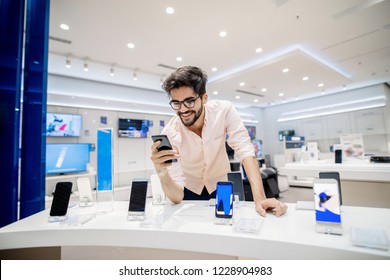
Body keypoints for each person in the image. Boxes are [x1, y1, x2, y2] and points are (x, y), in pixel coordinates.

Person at [150, 66, 287, 217]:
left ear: (204, 98)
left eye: (189, 101)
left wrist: (260, 198)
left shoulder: (224, 111)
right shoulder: (170, 133)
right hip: (189, 190)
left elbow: (245, 150)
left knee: (226, 226)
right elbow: (176, 198)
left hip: (221, 186)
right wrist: (161, 171)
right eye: (176, 103)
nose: (183, 110)